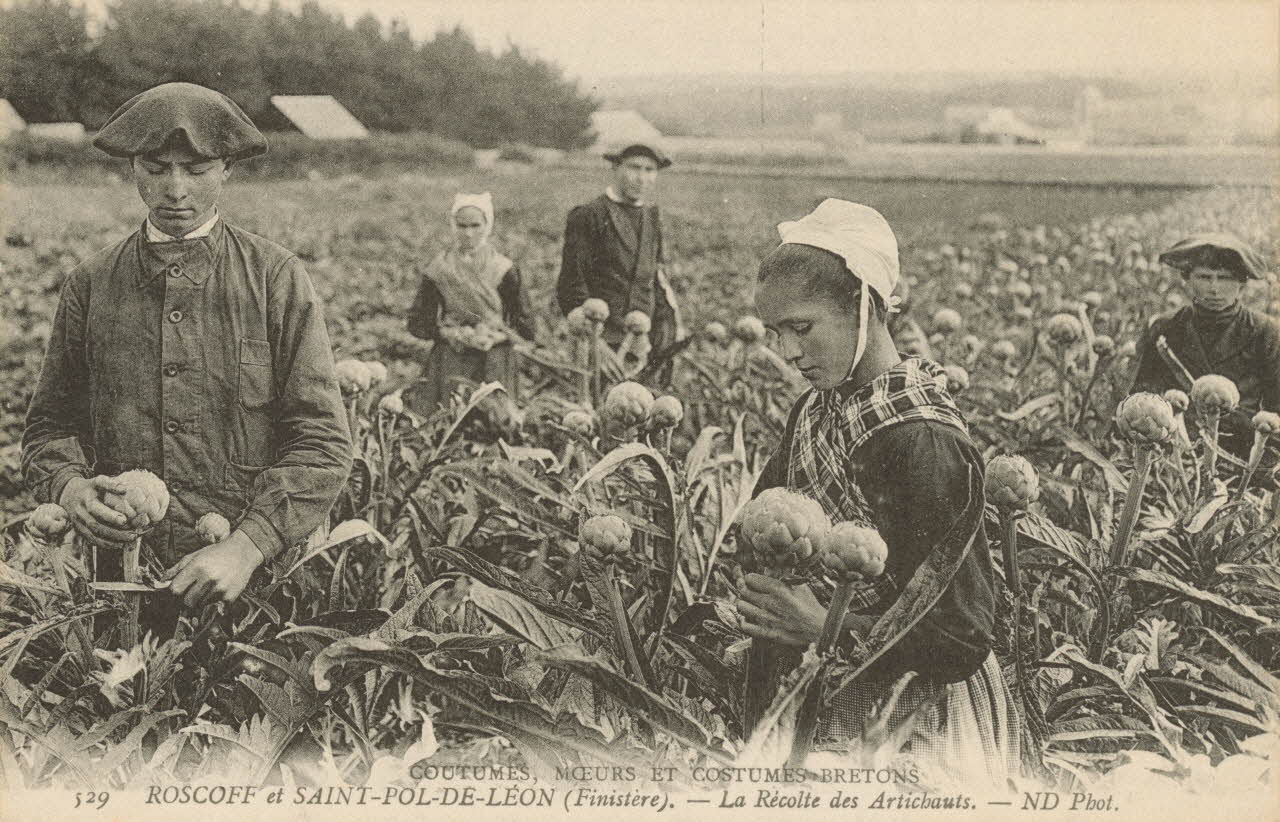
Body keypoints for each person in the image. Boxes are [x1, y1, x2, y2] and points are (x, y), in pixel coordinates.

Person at [22, 82, 353, 621]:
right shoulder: (92, 283)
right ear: (133, 167)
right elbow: (48, 427)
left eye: (197, 170)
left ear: (227, 169)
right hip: (118, 583)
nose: (175, 189)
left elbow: (322, 442)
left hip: (255, 588)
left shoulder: (275, 278)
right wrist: (70, 487)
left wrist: (247, 546)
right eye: (156, 168)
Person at [735, 199, 1018, 788]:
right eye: (777, 333)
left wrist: (824, 626)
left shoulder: (921, 439)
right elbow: (759, 526)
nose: (787, 353)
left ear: (865, 307)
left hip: (913, 714)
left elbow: (961, 637)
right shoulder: (816, 407)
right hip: (816, 689)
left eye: (802, 328)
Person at [1131, 233, 1280, 460]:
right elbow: (1142, 396)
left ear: (1242, 282)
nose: (1214, 289)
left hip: (1243, 453)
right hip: (1175, 453)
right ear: (1187, 278)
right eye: (1204, 277)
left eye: (1225, 278)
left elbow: (1276, 407)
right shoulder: (1165, 328)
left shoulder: (1265, 331)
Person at [555, 141, 681, 376]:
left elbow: (656, 281)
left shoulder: (652, 218)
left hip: (638, 340)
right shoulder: (589, 215)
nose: (641, 178)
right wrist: (595, 344)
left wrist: (663, 338)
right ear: (615, 168)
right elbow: (571, 284)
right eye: (634, 167)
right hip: (597, 341)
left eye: (649, 170)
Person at [404, 192, 535, 415]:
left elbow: (525, 324)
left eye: (475, 226)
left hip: (494, 358)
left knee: (496, 418)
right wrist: (450, 334)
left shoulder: (504, 269)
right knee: (449, 416)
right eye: (461, 226)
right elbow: (419, 321)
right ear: (453, 226)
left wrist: (496, 336)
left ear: (487, 225)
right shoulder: (439, 269)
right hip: (451, 357)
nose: (468, 233)